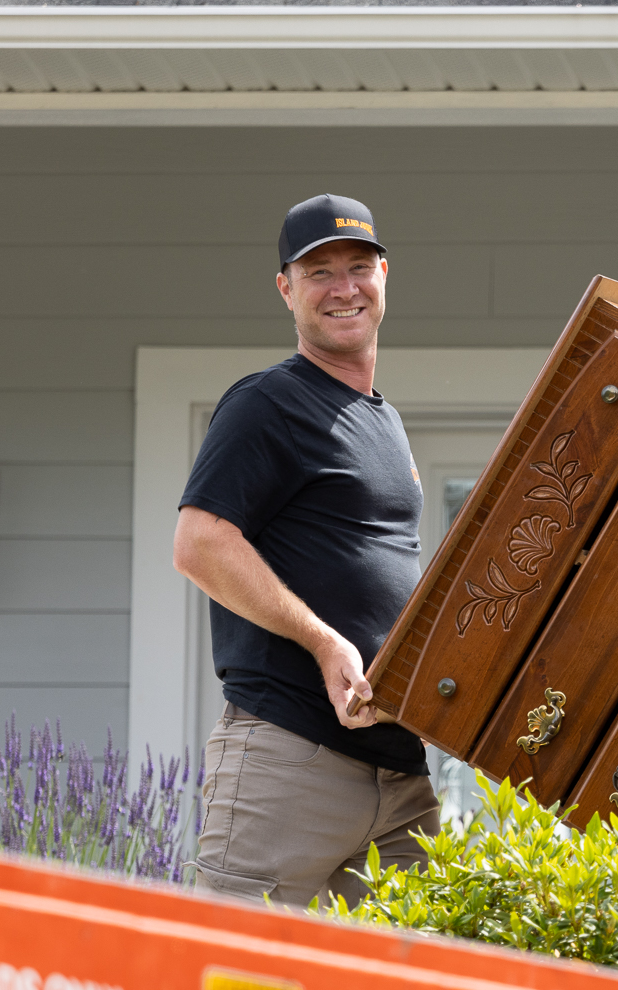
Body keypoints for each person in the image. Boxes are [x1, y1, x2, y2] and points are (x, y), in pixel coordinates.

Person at [173, 194, 440, 907]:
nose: (343, 288)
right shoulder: (267, 403)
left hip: (399, 775)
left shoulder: (385, 422)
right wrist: (325, 643)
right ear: (286, 289)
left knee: (404, 977)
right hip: (290, 757)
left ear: (384, 276)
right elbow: (200, 544)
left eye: (358, 267)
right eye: (319, 272)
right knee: (233, 968)